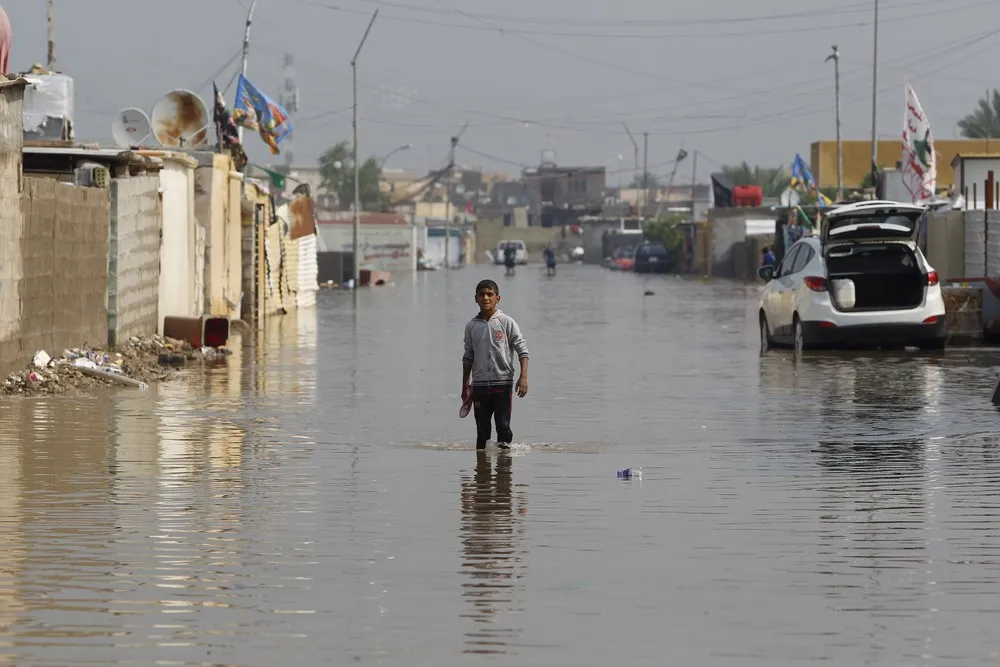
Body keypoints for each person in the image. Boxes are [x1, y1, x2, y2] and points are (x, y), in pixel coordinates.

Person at [462, 280, 529, 450]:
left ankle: (504, 465)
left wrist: (523, 377)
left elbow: (522, 351)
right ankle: (481, 465)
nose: (485, 298)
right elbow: (468, 357)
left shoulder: (506, 322)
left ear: (497, 298)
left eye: (489, 294)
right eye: (481, 295)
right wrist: (465, 386)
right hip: (480, 386)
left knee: (503, 427)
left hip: (502, 384)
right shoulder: (471, 326)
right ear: (476, 299)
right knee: (482, 431)